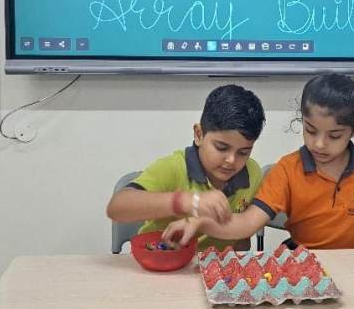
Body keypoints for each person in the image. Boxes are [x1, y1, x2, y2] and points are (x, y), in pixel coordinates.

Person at [163, 73, 354, 249]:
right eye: (310, 130)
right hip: (303, 261)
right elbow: (246, 223)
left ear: (353, 131)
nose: (319, 144)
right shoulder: (287, 170)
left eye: (334, 136)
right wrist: (202, 223)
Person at [107, 84, 266, 250]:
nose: (231, 160)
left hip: (216, 264)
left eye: (243, 152)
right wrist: (185, 201)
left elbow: (242, 240)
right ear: (199, 134)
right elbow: (117, 207)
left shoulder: (252, 172)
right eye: (221, 147)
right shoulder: (173, 168)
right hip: (162, 260)